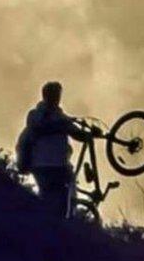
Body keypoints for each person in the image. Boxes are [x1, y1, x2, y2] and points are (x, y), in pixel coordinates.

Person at [16, 81, 96, 219]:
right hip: (43, 165)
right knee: (49, 197)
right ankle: (46, 223)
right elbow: (39, 127)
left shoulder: (60, 116)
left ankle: (63, 222)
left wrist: (89, 134)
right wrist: (61, 125)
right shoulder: (37, 114)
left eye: (58, 95)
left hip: (60, 165)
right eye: (54, 95)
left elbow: (76, 133)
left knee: (66, 198)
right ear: (46, 95)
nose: (57, 98)